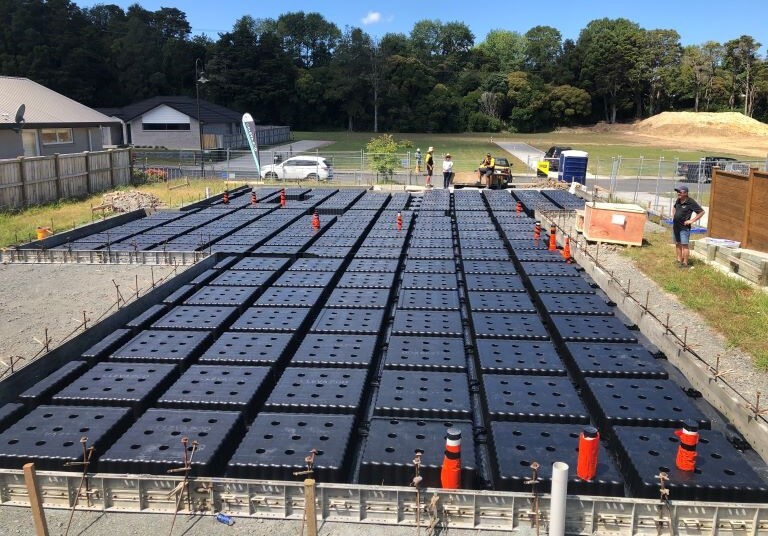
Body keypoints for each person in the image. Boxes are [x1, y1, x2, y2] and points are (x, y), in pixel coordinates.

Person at [672, 185, 705, 269]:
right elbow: (674, 207)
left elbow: (701, 212)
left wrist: (692, 221)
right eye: (677, 192)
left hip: (684, 228)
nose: (678, 193)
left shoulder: (691, 202)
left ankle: (685, 263)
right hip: (676, 226)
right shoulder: (678, 200)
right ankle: (679, 260)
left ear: (686, 193)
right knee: (677, 243)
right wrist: (674, 216)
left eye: (680, 192)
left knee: (684, 245)